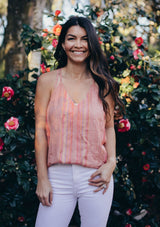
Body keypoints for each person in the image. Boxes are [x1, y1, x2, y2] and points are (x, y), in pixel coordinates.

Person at [34, 16, 124, 227]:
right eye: (71, 38)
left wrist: (111, 162)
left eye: (84, 39)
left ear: (91, 44)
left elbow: (109, 127)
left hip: (95, 178)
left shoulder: (104, 85)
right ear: (63, 43)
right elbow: (40, 131)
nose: (78, 45)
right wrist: (42, 178)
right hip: (56, 178)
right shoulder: (47, 82)